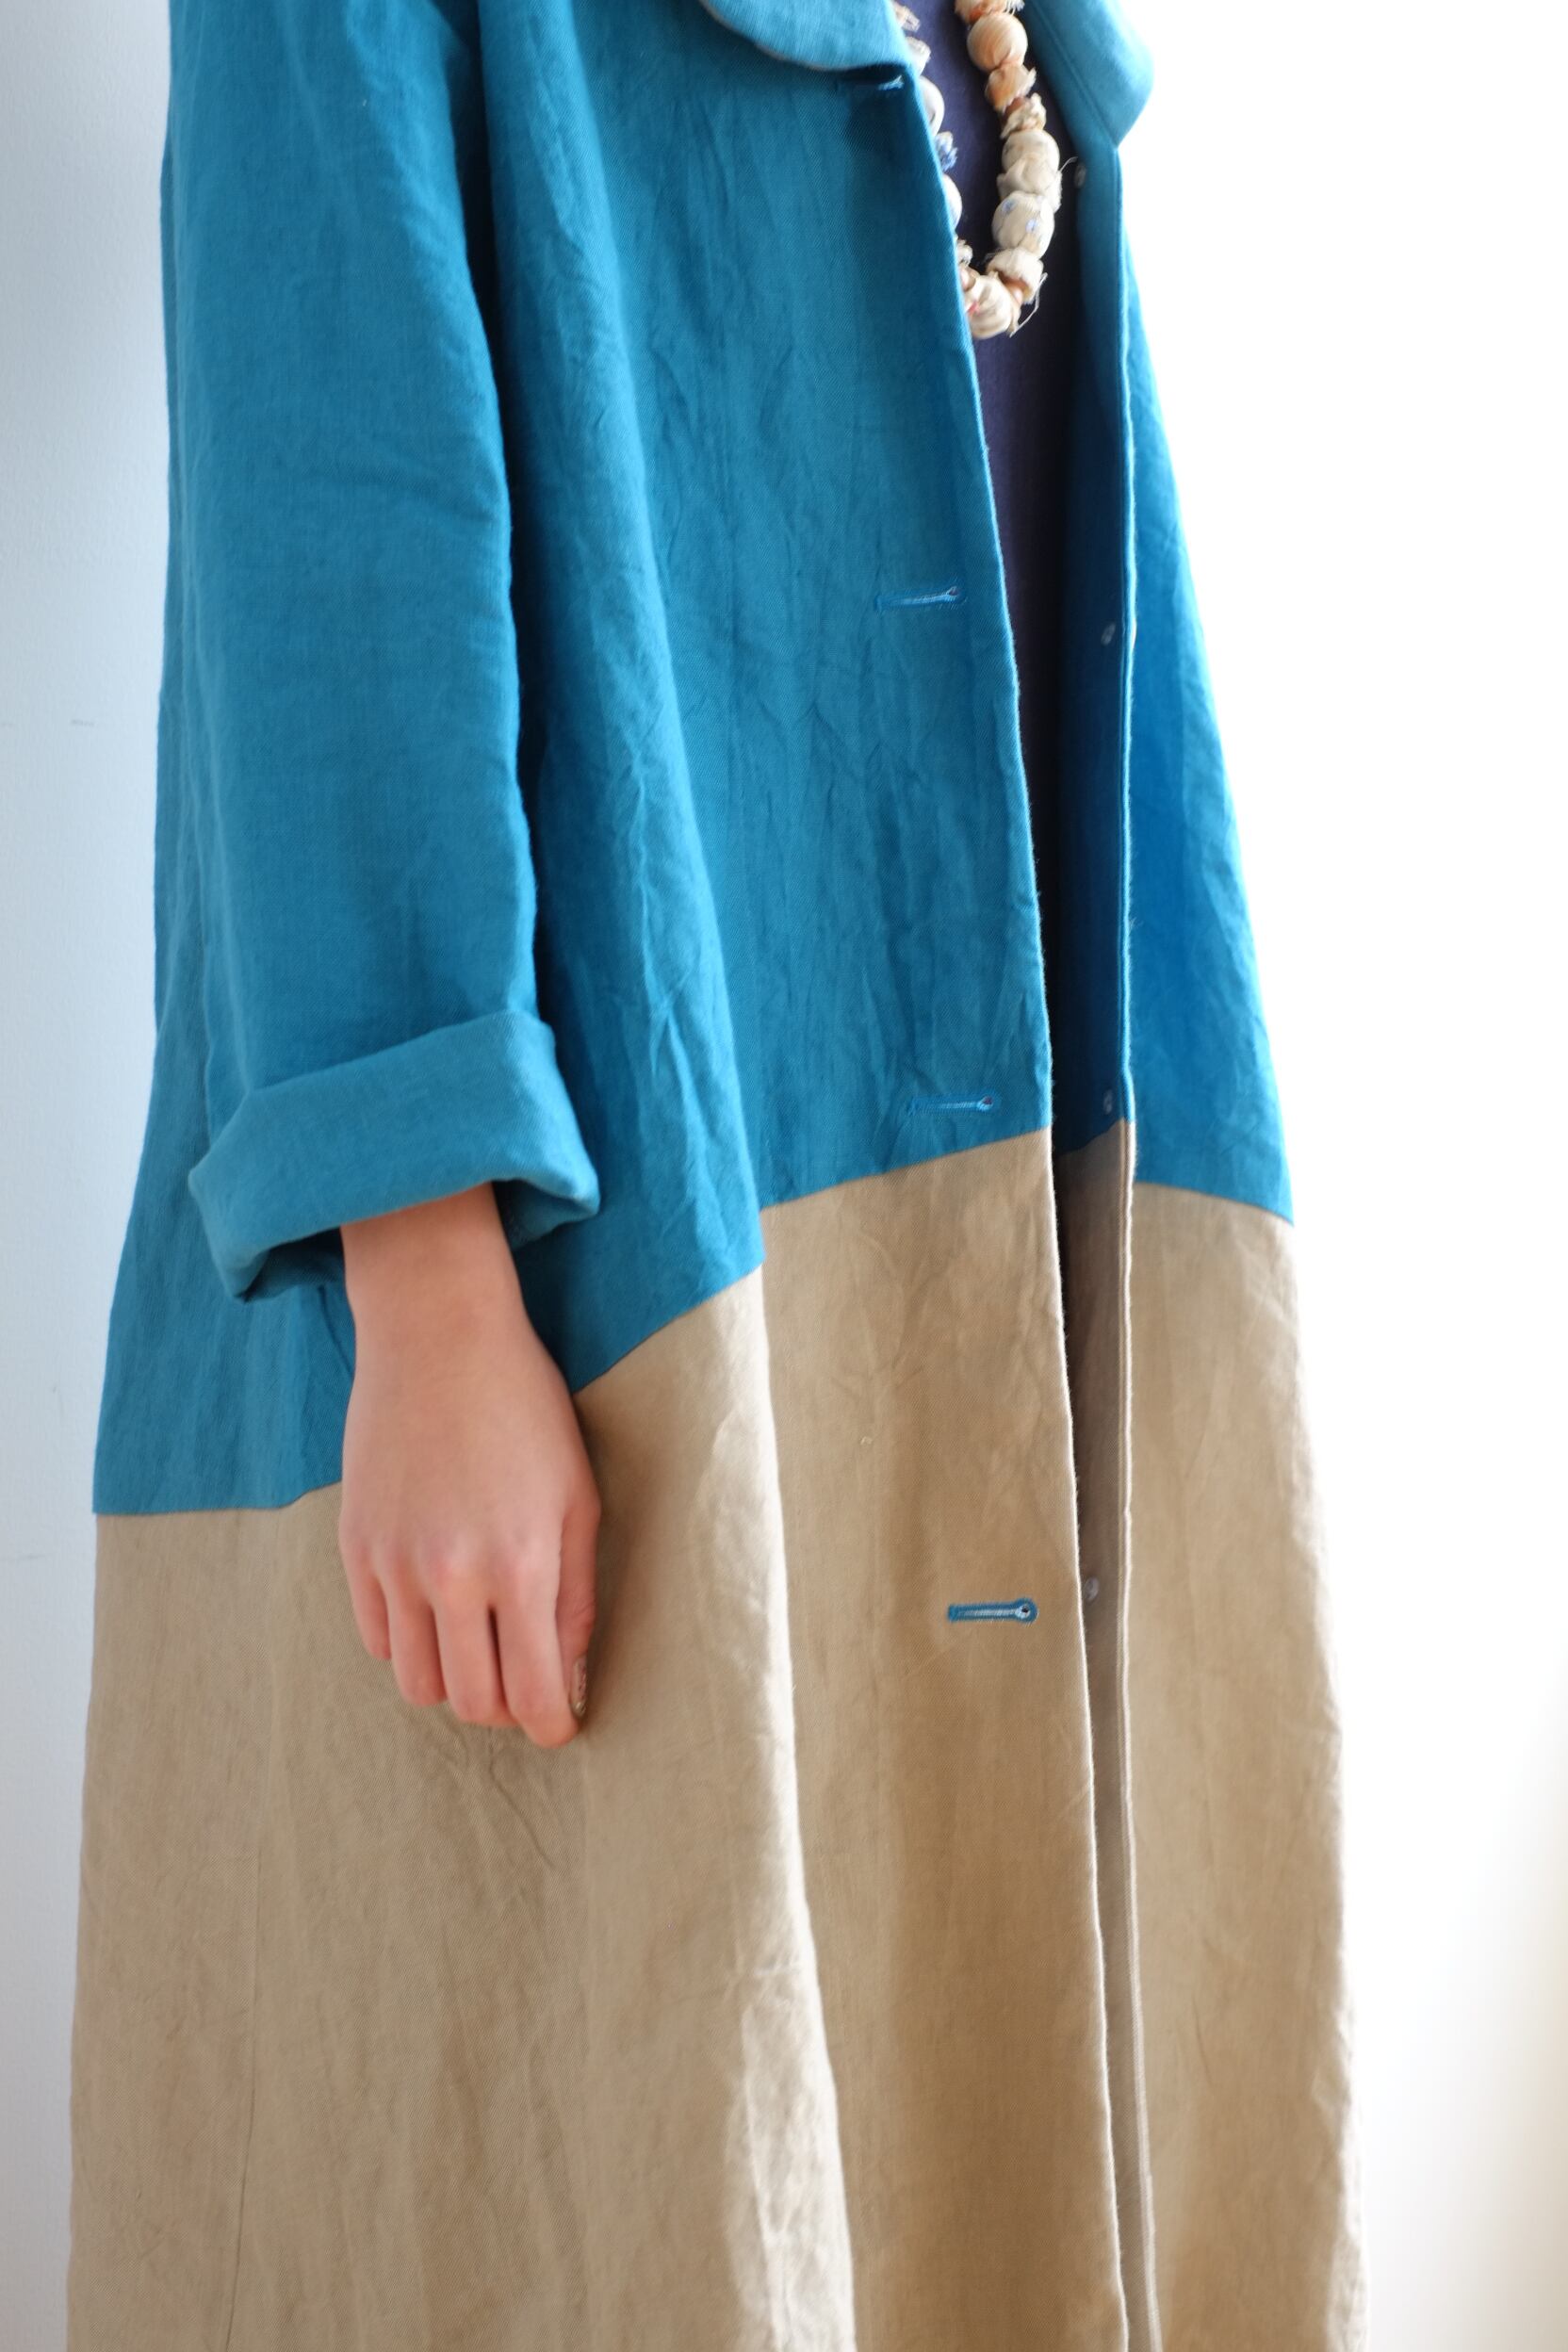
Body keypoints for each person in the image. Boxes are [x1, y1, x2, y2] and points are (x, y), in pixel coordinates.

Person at [68, 2, 1366, 2346]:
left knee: (1006, 2071)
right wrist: (425, 1276)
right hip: (618, 1245)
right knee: (626, 2155)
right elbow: (319, 493)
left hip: (1024, 1192)